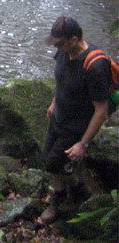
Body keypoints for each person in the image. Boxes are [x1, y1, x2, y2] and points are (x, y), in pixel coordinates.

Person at [39, 16, 111, 224]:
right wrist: (54, 102)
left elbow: (101, 110)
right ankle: (68, 190)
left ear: (74, 39)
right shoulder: (63, 53)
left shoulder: (95, 67)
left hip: (76, 127)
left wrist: (83, 143)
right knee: (49, 160)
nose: (57, 48)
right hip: (59, 117)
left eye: (60, 43)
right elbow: (61, 80)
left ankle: (61, 199)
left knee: (53, 163)